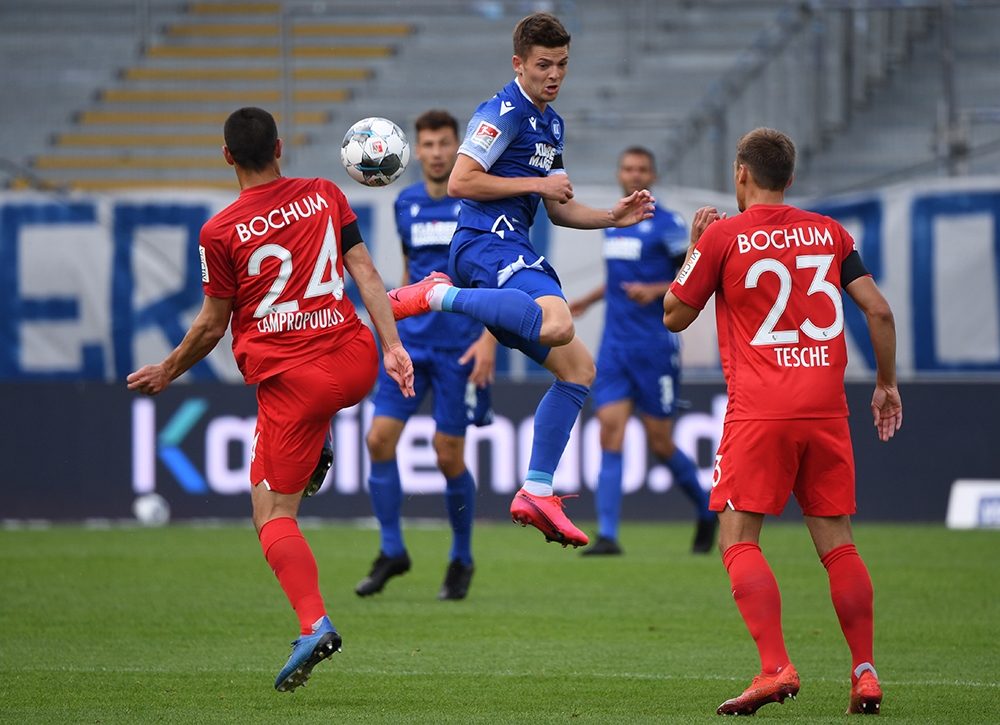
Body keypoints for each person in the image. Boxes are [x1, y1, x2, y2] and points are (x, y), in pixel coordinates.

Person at [126, 107, 414, 693]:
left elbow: (211, 326)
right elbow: (367, 275)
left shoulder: (219, 232)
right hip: (356, 360)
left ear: (227, 156)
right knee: (276, 461)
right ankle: (317, 451)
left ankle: (313, 624)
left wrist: (167, 370)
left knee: (272, 514)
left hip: (297, 383)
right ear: (280, 146)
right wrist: (392, 348)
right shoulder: (325, 193)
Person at [388, 12, 655, 550]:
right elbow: (462, 180)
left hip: (514, 247)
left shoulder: (550, 123)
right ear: (519, 64)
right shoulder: (501, 110)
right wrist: (537, 180)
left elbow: (556, 208)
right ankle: (436, 294)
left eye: (561, 64)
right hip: (485, 244)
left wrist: (611, 216)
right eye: (543, 65)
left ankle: (536, 489)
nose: (554, 74)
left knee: (579, 369)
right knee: (557, 325)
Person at [662, 127, 902, 716]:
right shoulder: (831, 232)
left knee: (738, 538)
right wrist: (887, 384)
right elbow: (879, 309)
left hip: (760, 410)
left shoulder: (723, 236)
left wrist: (697, 249)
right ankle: (865, 673)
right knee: (838, 546)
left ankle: (774, 666)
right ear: (789, 178)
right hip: (826, 408)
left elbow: (674, 315)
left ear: (741, 174)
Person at [357, 110, 497, 601]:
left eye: (444, 144)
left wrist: (489, 340)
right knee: (378, 439)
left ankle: (461, 558)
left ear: (458, 149)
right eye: (428, 144)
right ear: (414, 151)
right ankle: (392, 549)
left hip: (461, 346)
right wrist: (392, 335)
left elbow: (494, 278)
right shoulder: (405, 203)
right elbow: (407, 269)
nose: (436, 152)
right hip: (413, 342)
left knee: (447, 454)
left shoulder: (476, 204)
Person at [569, 147, 716, 556]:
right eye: (628, 168)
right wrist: (589, 299)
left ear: (652, 175)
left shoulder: (668, 224)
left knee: (661, 443)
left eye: (642, 169)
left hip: (655, 345)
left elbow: (691, 277)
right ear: (619, 174)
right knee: (609, 434)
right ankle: (609, 536)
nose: (634, 175)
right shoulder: (614, 222)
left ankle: (707, 511)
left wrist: (654, 291)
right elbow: (619, 277)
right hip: (615, 346)